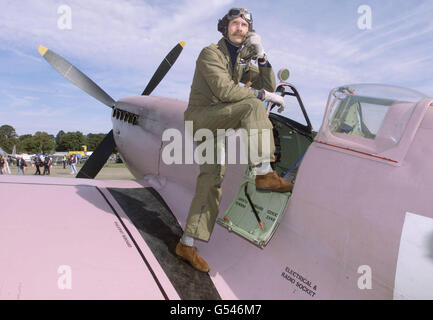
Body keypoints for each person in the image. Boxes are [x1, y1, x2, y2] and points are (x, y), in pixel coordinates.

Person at [176, 7, 293, 272]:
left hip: (221, 120)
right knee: (252, 106)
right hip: (203, 119)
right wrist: (262, 97)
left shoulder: (242, 61)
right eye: (234, 23)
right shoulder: (211, 54)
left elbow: (269, 84)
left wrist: (261, 56)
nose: (239, 28)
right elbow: (224, 90)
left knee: (212, 179)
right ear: (225, 26)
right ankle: (264, 172)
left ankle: (186, 244)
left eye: (244, 25)